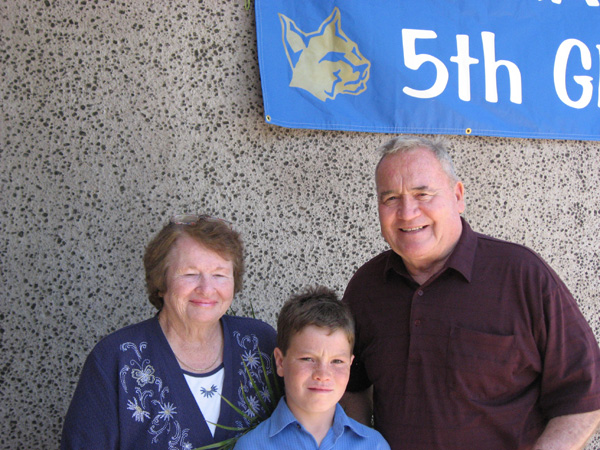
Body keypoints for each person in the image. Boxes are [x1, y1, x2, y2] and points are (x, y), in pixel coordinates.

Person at [341, 136, 600, 450]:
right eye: (391, 198)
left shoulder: (522, 276)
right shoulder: (366, 288)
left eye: (423, 194)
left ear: (458, 196)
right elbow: (349, 386)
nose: (407, 212)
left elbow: (586, 395)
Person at [61, 214, 278, 450]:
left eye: (219, 275)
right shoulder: (115, 358)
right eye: (190, 273)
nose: (207, 289)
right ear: (161, 282)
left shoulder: (260, 344)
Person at [234, 286, 390, 450]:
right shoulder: (252, 446)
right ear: (280, 362)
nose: (323, 374)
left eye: (337, 361)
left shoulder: (374, 445)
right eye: (307, 359)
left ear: (350, 365)